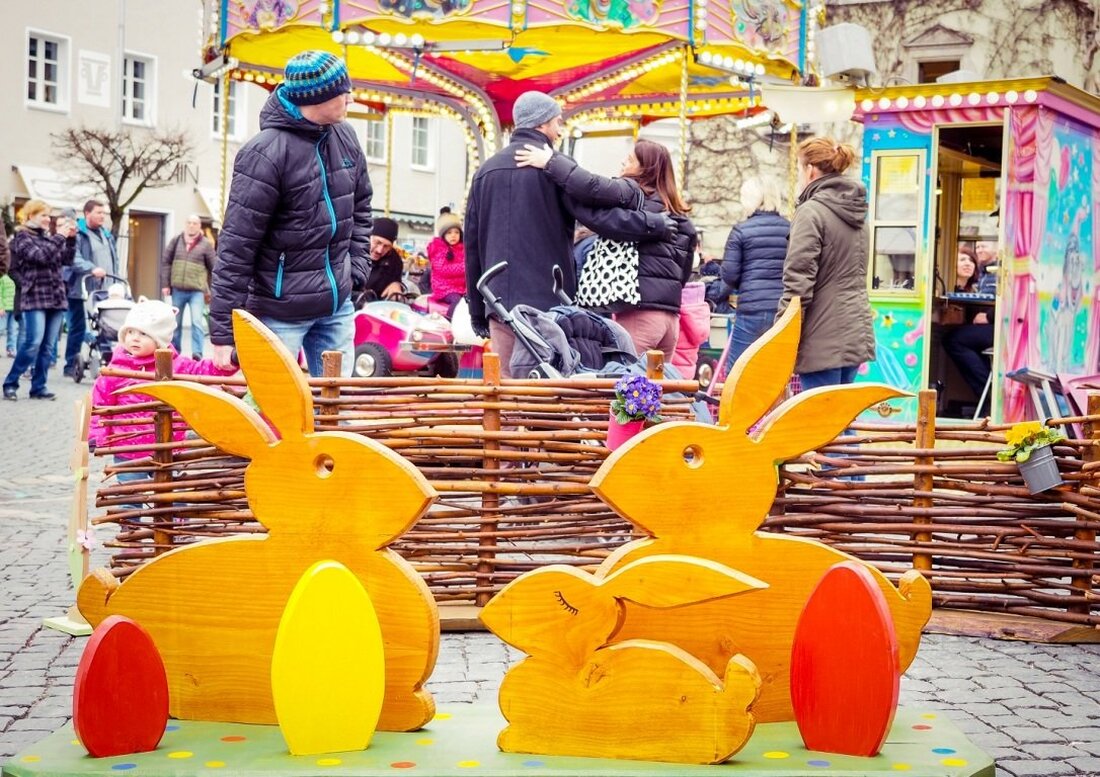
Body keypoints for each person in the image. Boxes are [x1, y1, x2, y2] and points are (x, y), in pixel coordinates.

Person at [463, 90, 672, 377]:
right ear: (542, 123)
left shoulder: (485, 172)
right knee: (549, 383)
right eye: (557, 122)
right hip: (548, 298)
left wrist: (478, 310)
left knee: (506, 387)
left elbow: (472, 245)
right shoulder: (552, 166)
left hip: (498, 298)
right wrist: (653, 224)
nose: (559, 130)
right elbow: (599, 219)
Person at [210, 50, 371, 377]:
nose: (350, 98)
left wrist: (356, 268)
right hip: (278, 312)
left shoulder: (346, 137)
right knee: (272, 413)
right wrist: (223, 332)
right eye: (342, 92)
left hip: (336, 305)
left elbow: (361, 206)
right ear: (317, 98)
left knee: (337, 409)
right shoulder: (264, 153)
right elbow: (236, 247)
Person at [515, 138, 697, 361]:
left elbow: (593, 196)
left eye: (630, 160)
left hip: (640, 314)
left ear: (645, 169)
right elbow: (683, 275)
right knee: (657, 389)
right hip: (670, 321)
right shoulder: (683, 221)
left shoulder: (634, 196)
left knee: (626, 385)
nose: (623, 162)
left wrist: (552, 165)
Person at [88, 299, 238, 468]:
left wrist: (229, 361)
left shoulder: (177, 365)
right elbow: (100, 406)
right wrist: (97, 435)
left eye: (144, 334)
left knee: (166, 490)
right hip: (127, 451)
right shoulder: (115, 370)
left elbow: (203, 371)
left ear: (160, 340)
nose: (135, 338)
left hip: (168, 449)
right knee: (131, 490)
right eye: (130, 332)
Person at [777, 137, 875, 391]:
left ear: (810, 169)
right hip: (854, 330)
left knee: (818, 423)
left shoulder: (811, 212)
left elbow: (798, 283)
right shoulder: (857, 213)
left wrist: (781, 335)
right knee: (841, 420)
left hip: (822, 337)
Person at [3, 200, 76, 401]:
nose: (47, 219)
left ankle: (38, 387)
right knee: (32, 343)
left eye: (48, 215)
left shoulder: (49, 238)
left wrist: (70, 240)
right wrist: (60, 236)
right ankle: (10, 383)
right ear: (30, 216)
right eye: (43, 215)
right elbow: (42, 256)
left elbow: (66, 260)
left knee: (48, 347)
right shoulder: (22, 237)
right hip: (35, 296)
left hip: (55, 296)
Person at [720, 176, 790, 365]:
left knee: (738, 369)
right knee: (775, 371)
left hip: (751, 309)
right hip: (783, 310)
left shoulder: (741, 230)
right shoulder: (791, 229)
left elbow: (729, 274)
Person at [64, 200, 118, 377]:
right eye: (98, 212)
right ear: (87, 214)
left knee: (103, 325)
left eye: (104, 213)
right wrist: (91, 268)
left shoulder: (106, 234)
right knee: (78, 327)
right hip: (81, 288)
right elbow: (73, 258)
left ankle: (104, 360)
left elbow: (113, 259)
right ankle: (70, 364)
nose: (102, 216)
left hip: (103, 289)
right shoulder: (79, 234)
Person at [161, 214, 217, 358]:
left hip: (196, 291)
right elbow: (166, 262)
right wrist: (165, 284)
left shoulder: (205, 244)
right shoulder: (176, 241)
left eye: (195, 223)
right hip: (177, 289)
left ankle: (197, 353)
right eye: (189, 222)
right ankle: (175, 352)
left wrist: (213, 290)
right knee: (175, 323)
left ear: (199, 226)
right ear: (185, 224)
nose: (191, 225)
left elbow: (214, 268)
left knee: (196, 323)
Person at [426, 212, 466, 317]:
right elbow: (443, 269)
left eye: (456, 232)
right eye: (449, 233)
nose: (453, 235)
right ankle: (449, 320)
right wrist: (466, 267)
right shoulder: (438, 249)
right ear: (443, 235)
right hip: (445, 288)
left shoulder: (462, 249)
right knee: (457, 301)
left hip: (460, 288)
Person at [360, 217, 405, 302]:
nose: (379, 250)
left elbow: (397, 281)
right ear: (368, 237)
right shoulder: (353, 252)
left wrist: (396, 284)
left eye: (386, 246)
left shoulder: (395, 261)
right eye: (377, 242)